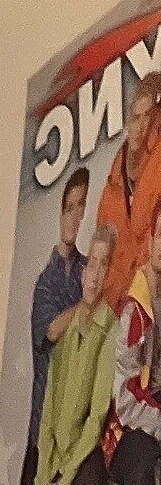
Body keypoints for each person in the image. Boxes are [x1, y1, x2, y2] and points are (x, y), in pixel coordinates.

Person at [0, 166, 92, 485]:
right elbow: (49, 331)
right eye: (68, 207)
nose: (74, 216)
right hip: (42, 428)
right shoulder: (48, 283)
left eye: (80, 208)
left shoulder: (88, 272)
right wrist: (85, 305)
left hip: (77, 429)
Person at [26, 223, 121, 485]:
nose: (95, 275)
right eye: (91, 264)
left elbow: (95, 418)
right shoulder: (67, 328)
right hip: (56, 451)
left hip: (84, 453)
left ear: (110, 273)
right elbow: (49, 412)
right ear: (83, 271)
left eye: (104, 265)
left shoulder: (110, 328)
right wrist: (45, 480)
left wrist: (61, 483)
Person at [107, 201, 161, 485]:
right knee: (142, 478)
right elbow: (125, 396)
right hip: (132, 426)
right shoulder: (135, 308)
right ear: (151, 239)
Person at [95, 69, 161, 314]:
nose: (140, 127)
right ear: (127, 120)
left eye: (147, 117)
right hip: (123, 311)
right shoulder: (114, 182)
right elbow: (106, 259)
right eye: (135, 117)